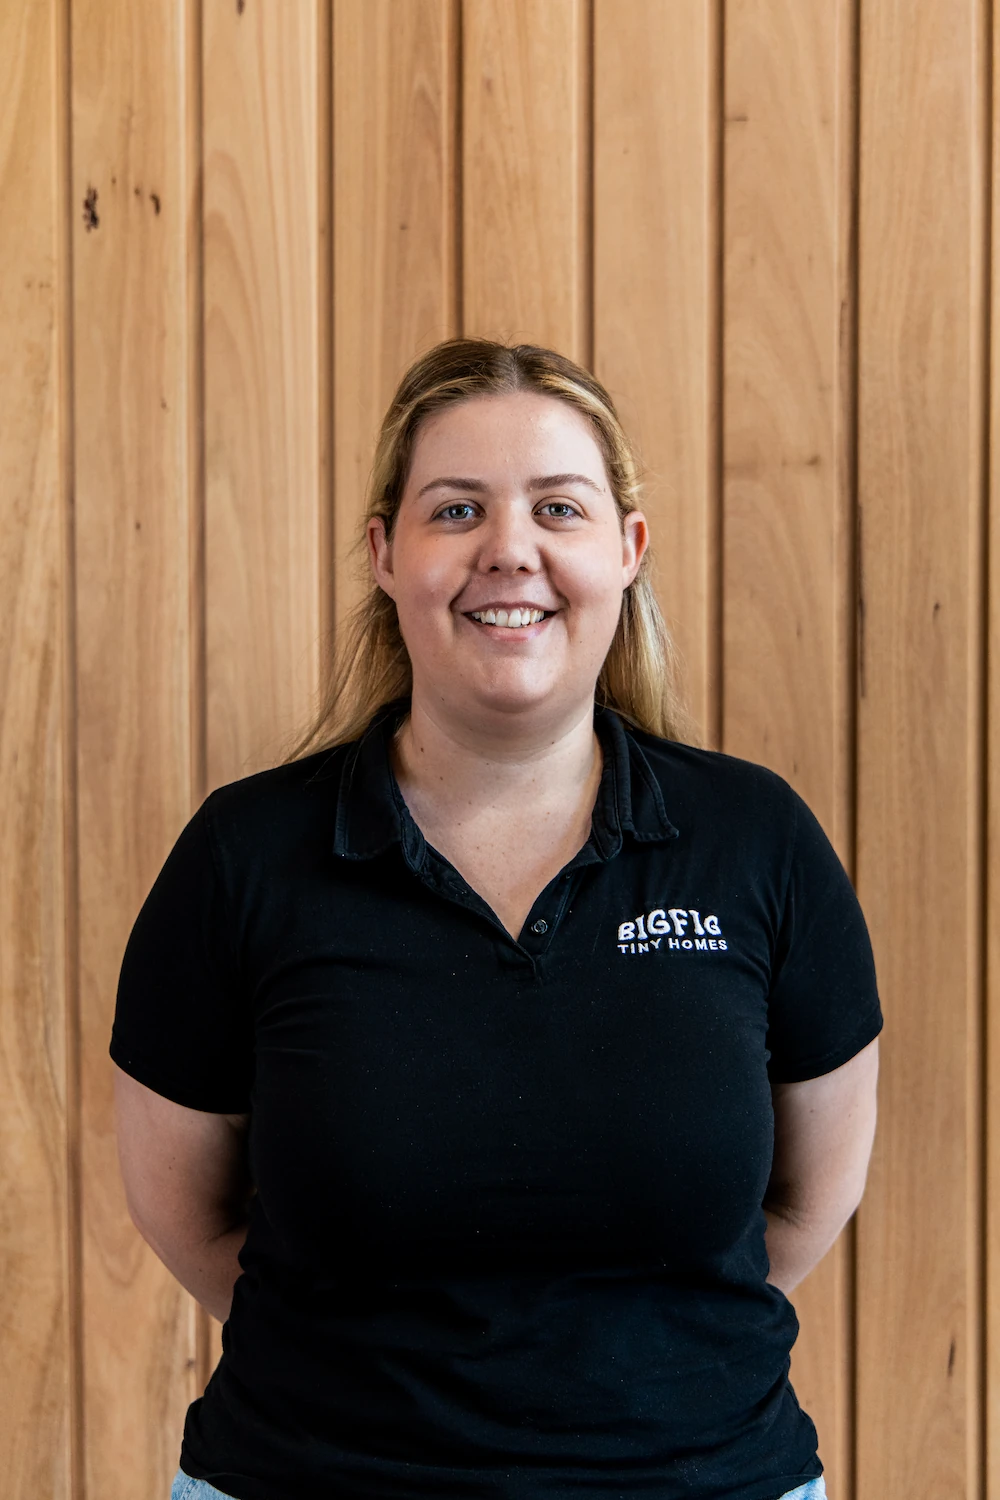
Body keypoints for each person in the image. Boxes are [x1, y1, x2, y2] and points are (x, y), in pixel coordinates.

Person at [111, 338, 882, 1500]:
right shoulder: (245, 854)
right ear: (385, 554)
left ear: (625, 550)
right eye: (456, 508)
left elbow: (808, 1201)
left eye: (556, 509)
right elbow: (185, 1214)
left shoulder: (755, 841)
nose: (507, 550)